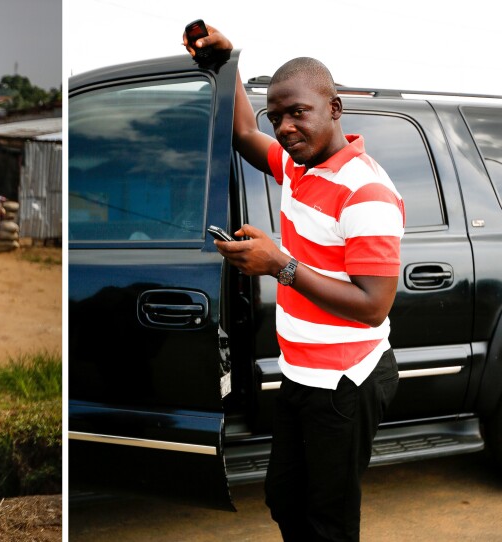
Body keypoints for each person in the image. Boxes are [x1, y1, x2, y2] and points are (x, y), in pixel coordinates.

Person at [185, 25, 405, 541]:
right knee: (284, 498)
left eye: (297, 113)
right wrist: (228, 60)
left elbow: (373, 305)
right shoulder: (301, 168)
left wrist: (277, 264)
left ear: (334, 108)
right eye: (277, 116)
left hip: (346, 383)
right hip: (302, 375)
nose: (284, 128)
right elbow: (242, 134)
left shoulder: (366, 191)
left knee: (327, 520)